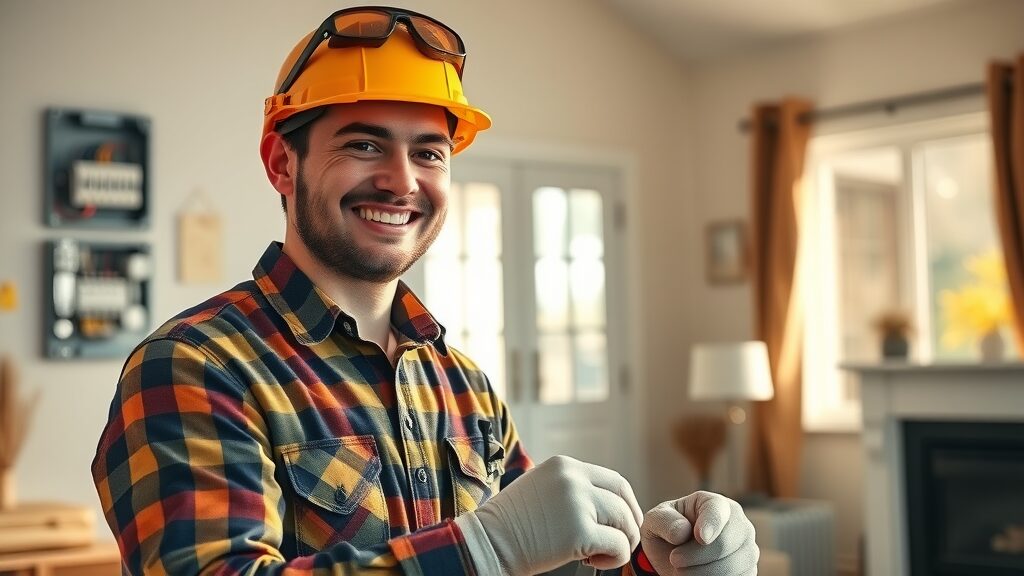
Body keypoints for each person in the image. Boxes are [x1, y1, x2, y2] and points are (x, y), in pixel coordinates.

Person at [92, 7, 759, 575]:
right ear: (281, 164)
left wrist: (658, 561)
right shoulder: (193, 368)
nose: (401, 180)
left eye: (430, 152)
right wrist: (484, 546)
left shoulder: (463, 386)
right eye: (363, 144)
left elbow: (544, 564)